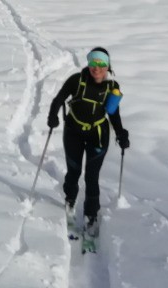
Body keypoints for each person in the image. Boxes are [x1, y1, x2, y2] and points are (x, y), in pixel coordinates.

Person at [46, 46, 129, 229]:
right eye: (93, 62)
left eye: (101, 64)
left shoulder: (112, 87)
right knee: (73, 171)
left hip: (98, 134)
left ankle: (91, 214)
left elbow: (113, 113)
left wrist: (121, 133)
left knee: (92, 176)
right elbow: (59, 99)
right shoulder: (77, 80)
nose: (96, 68)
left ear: (108, 66)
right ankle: (70, 200)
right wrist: (52, 116)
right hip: (73, 132)